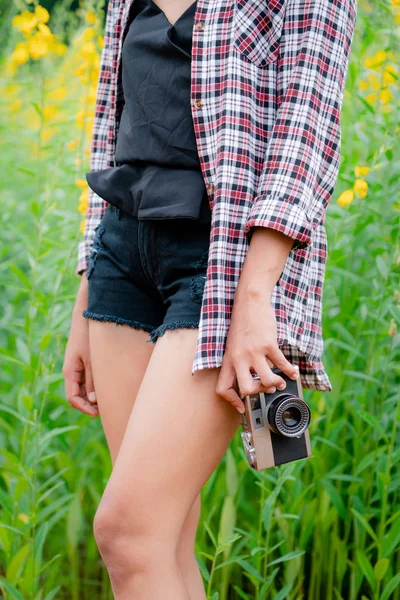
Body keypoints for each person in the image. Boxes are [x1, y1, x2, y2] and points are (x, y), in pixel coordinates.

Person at [63, 0, 358, 597]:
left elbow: (307, 134)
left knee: (127, 533)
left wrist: (255, 299)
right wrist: (85, 295)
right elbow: (111, 136)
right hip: (121, 258)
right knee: (163, 537)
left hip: (221, 264)